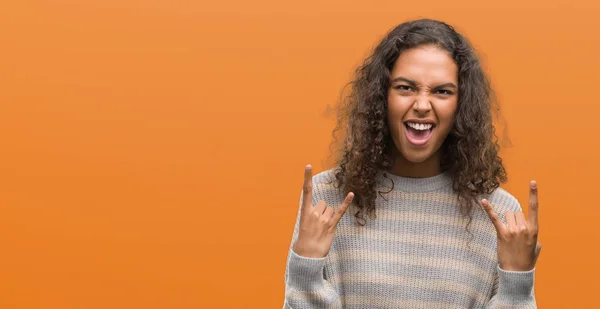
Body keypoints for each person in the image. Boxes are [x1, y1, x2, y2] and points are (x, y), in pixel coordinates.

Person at [282, 19, 542, 308]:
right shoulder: (326, 200)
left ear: (461, 106)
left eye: (442, 91)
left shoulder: (501, 216)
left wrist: (516, 286)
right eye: (406, 87)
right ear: (382, 96)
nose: (421, 104)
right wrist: (305, 269)